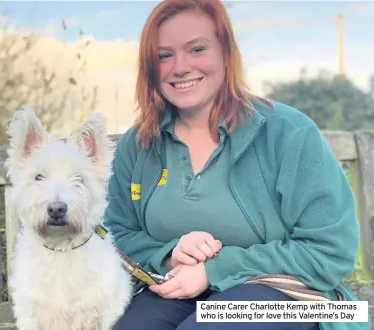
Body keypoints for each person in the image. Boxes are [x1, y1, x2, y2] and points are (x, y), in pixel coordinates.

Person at [103, 0, 368, 329]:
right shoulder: (139, 144)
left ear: (226, 53)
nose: (180, 67)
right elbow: (118, 233)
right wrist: (170, 254)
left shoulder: (289, 133)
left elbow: (332, 250)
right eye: (164, 55)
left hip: (297, 298)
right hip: (178, 290)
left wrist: (214, 269)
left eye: (197, 49)